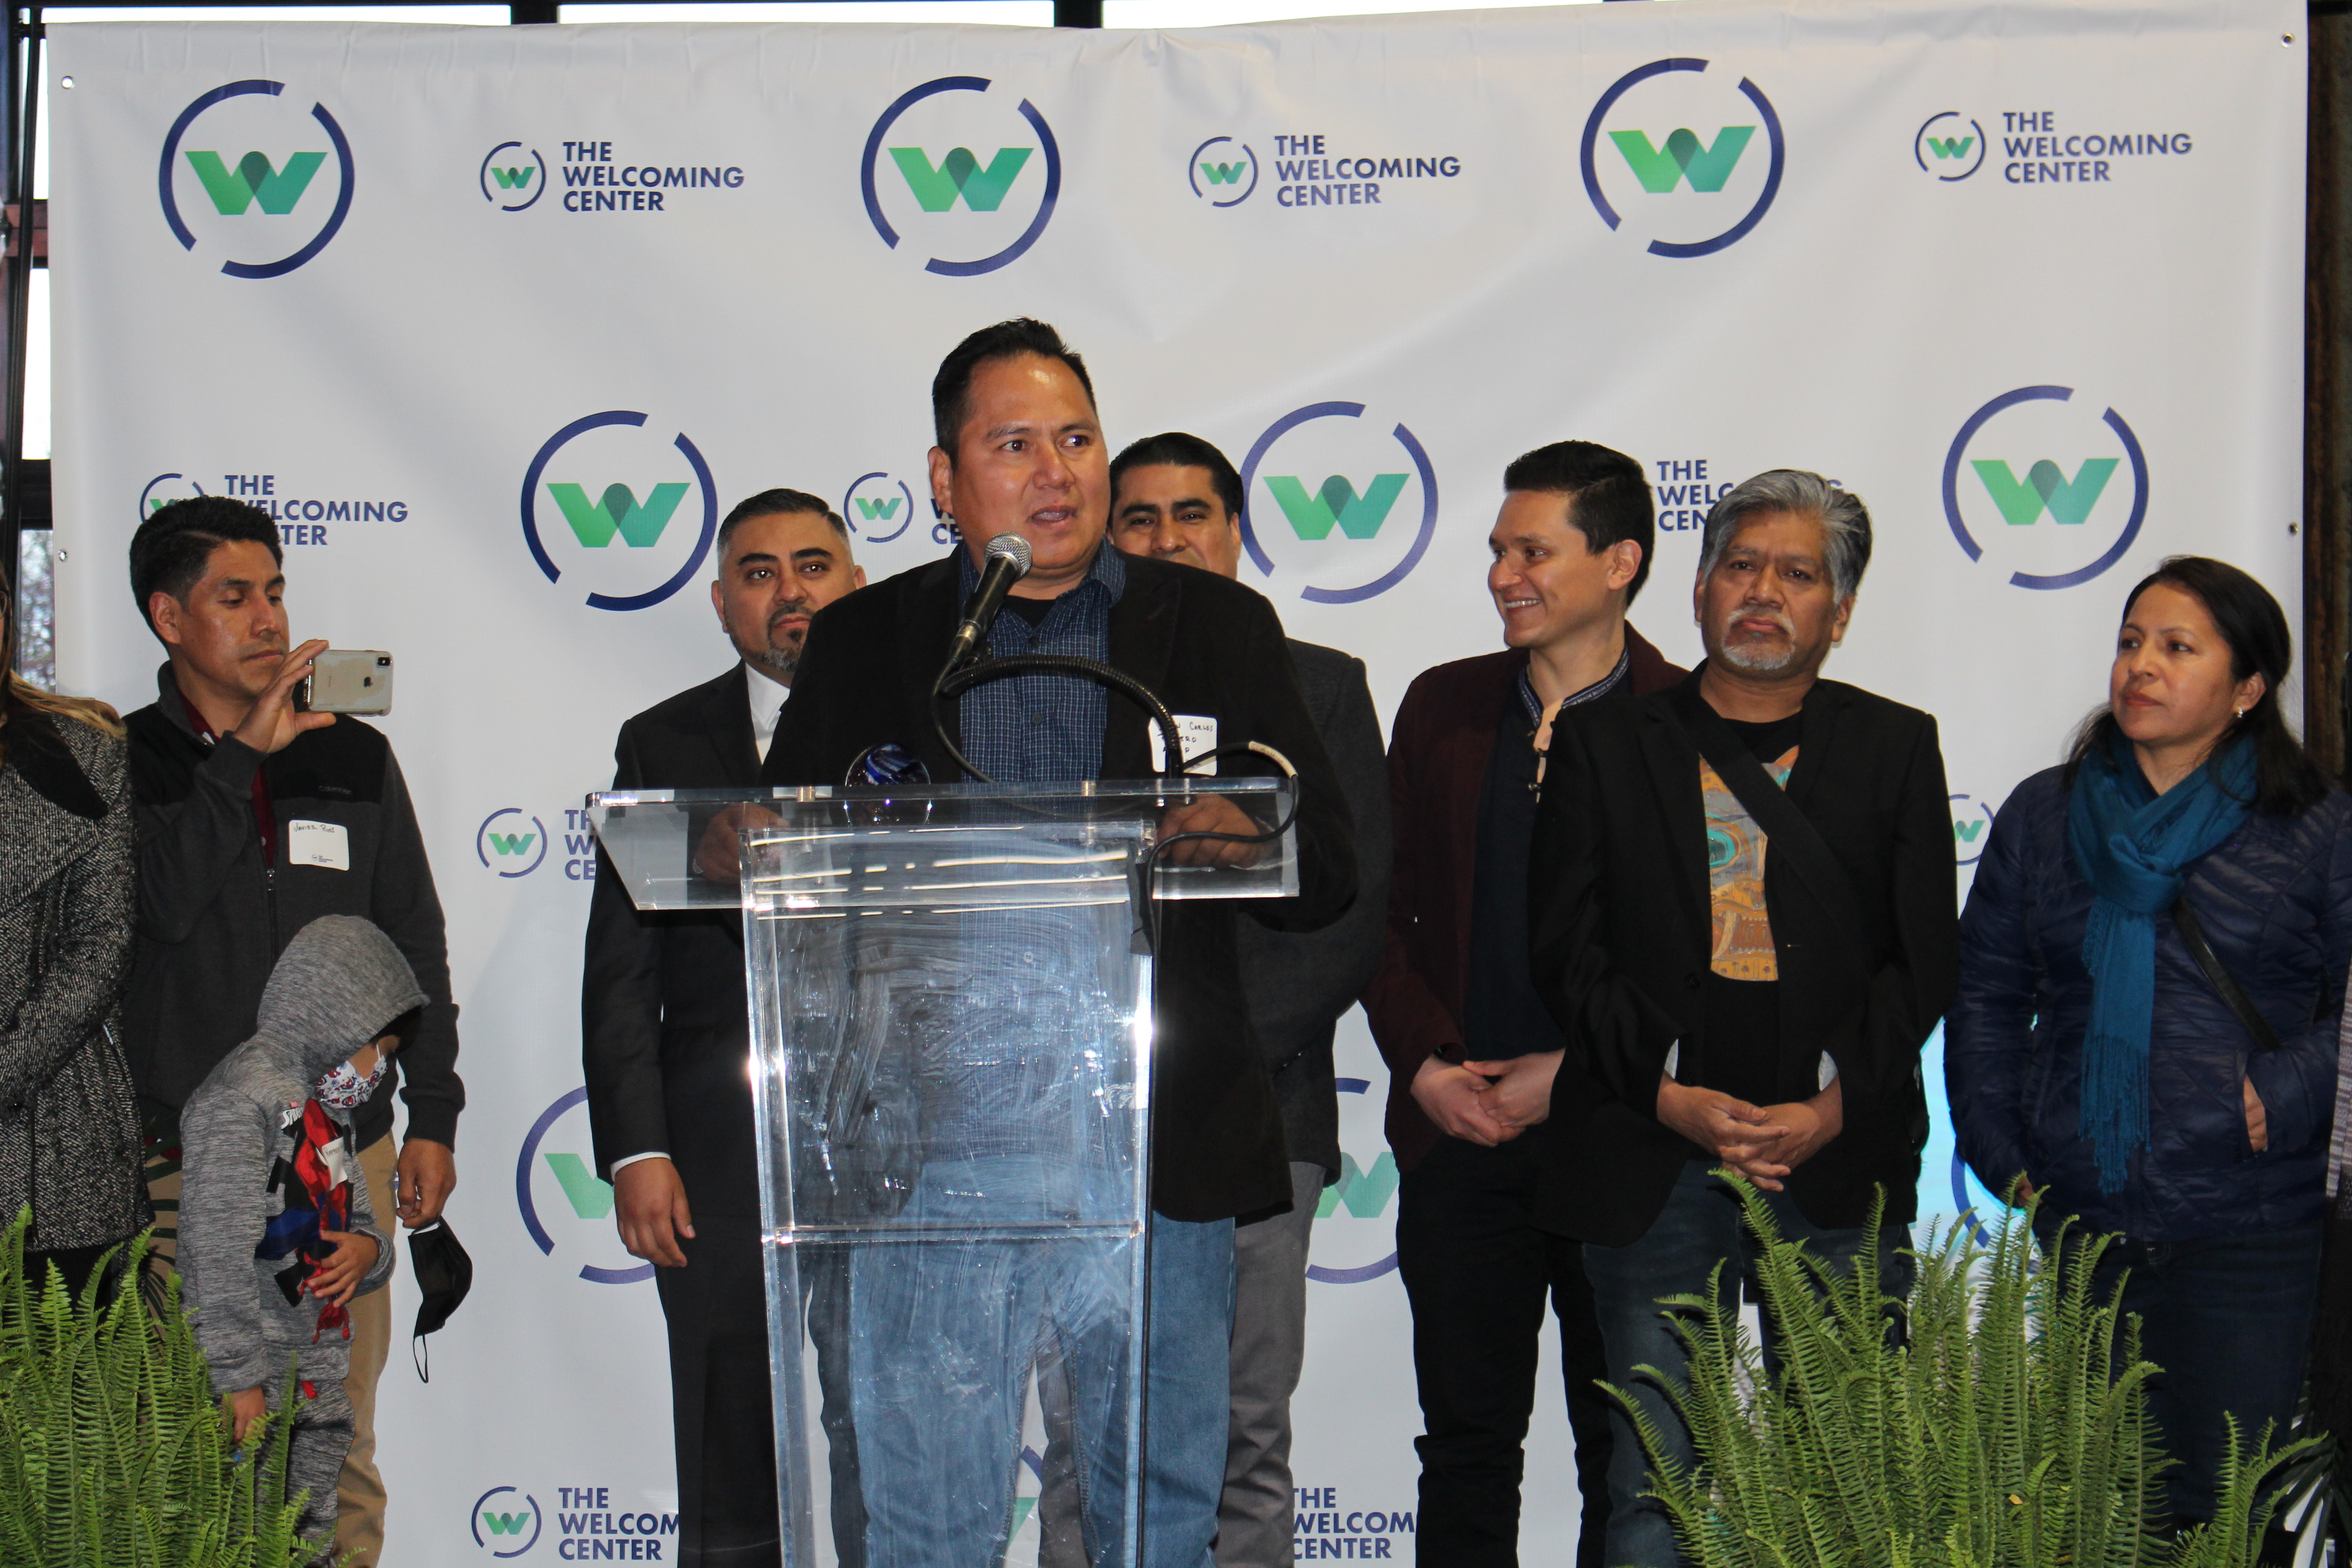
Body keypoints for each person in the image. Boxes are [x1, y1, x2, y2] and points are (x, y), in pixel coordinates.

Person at [762, 318, 1357, 1568]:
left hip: (1156, 1147)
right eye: (1015, 443)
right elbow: (779, 861)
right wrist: (741, 852)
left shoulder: (1216, 627)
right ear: (944, 480)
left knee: (1158, 1513)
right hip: (936, 1158)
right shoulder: (870, 643)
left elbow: (1329, 867)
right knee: (927, 1527)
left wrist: (1247, 833)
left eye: (1077, 438)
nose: (1059, 472)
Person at [1528, 470, 1957, 1568]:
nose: (1764, 593)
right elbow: (1566, 957)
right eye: (1742, 566)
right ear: (1701, 590)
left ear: (1841, 613)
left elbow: (1923, 963)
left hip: (1835, 1159)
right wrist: (1665, 1096)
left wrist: (1829, 1107)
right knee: (1652, 1486)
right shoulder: (1603, 743)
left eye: (1798, 574)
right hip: (1648, 1156)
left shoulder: (1895, 746)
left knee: (1845, 1482)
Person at [1947, 556, 2352, 1530]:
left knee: (2229, 1507)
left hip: (2250, 1220)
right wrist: (2004, 1149)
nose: (2142, 666)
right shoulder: (2048, 815)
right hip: (2086, 1210)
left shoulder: (2314, 824)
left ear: (2248, 689)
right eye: (2132, 642)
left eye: (2179, 647)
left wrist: (2289, 1089)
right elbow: (1987, 992)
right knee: (2107, 1505)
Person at [121, 496, 464, 1568]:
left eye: (276, 591)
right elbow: (153, 913)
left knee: (334, 1448)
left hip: (335, 1164)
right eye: (236, 596)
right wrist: (238, 768)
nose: (269, 618)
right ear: (169, 618)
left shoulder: (351, 758)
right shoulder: (120, 762)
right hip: (184, 1167)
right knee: (197, 1438)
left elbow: (412, 946)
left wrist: (433, 1117)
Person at [1361, 440, 1681, 1567]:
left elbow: (1694, 961)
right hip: (1459, 1134)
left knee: (1634, 1456)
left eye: (1534, 551)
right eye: (1499, 549)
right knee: (1465, 1449)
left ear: (1620, 561)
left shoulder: (1684, 724)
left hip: (1624, 1144)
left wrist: (1580, 1071)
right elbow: (1382, 917)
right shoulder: (1444, 709)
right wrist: (1429, 1064)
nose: (1504, 573)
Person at [1106, 431, 1392, 1568]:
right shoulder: (1084, 683)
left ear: (1236, 531)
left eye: (1192, 515)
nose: (1168, 539)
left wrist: (1207, 1056)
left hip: (1264, 1116)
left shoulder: (1319, 686)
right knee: (1091, 1437)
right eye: (1140, 519)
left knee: (1243, 1434)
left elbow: (1348, 914)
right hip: (1097, 1114)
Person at [583, 488, 866, 1568]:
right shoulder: (664, 739)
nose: (789, 591)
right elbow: (621, 965)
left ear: (856, 587)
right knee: (724, 1411)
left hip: (885, 1122)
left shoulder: (912, 728)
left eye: (813, 566)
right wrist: (639, 1146)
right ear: (720, 602)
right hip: (712, 1130)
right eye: (759, 572)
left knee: (889, 1409)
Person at [177, 915, 412, 1545]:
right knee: (247, 1538)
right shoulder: (240, 1101)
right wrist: (237, 1378)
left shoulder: (328, 1112)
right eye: (379, 1053)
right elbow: (215, 1254)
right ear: (332, 1015)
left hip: (317, 1381)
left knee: (308, 1538)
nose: (378, 1074)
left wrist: (371, 1251)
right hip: (257, 1387)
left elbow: (364, 1228)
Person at [0, 589, 149, 1296]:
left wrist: (6, 1066)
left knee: (70, 1398)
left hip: (59, 1137)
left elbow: (102, 943)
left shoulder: (86, 755)